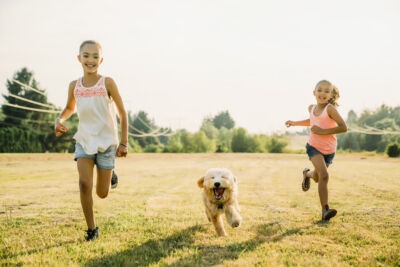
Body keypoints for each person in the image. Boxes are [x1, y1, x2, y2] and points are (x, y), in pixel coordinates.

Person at [54, 40, 128, 240]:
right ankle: (92, 230)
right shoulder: (74, 86)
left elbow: (122, 112)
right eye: (86, 55)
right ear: (79, 58)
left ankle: (110, 173)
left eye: (95, 56)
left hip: (107, 143)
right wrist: (59, 119)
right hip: (84, 140)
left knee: (102, 193)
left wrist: (123, 142)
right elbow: (70, 108)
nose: (91, 60)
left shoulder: (108, 83)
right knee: (84, 184)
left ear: (101, 60)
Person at [285, 80, 347, 221]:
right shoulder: (311, 108)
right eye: (320, 90)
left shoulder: (330, 109)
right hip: (313, 147)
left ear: (331, 95)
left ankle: (307, 174)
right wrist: (294, 123)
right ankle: (325, 210)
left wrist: (322, 131)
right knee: (324, 175)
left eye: (326, 91)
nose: (322, 93)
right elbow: (312, 120)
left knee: (318, 177)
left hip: (329, 150)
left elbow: (343, 127)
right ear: (314, 93)